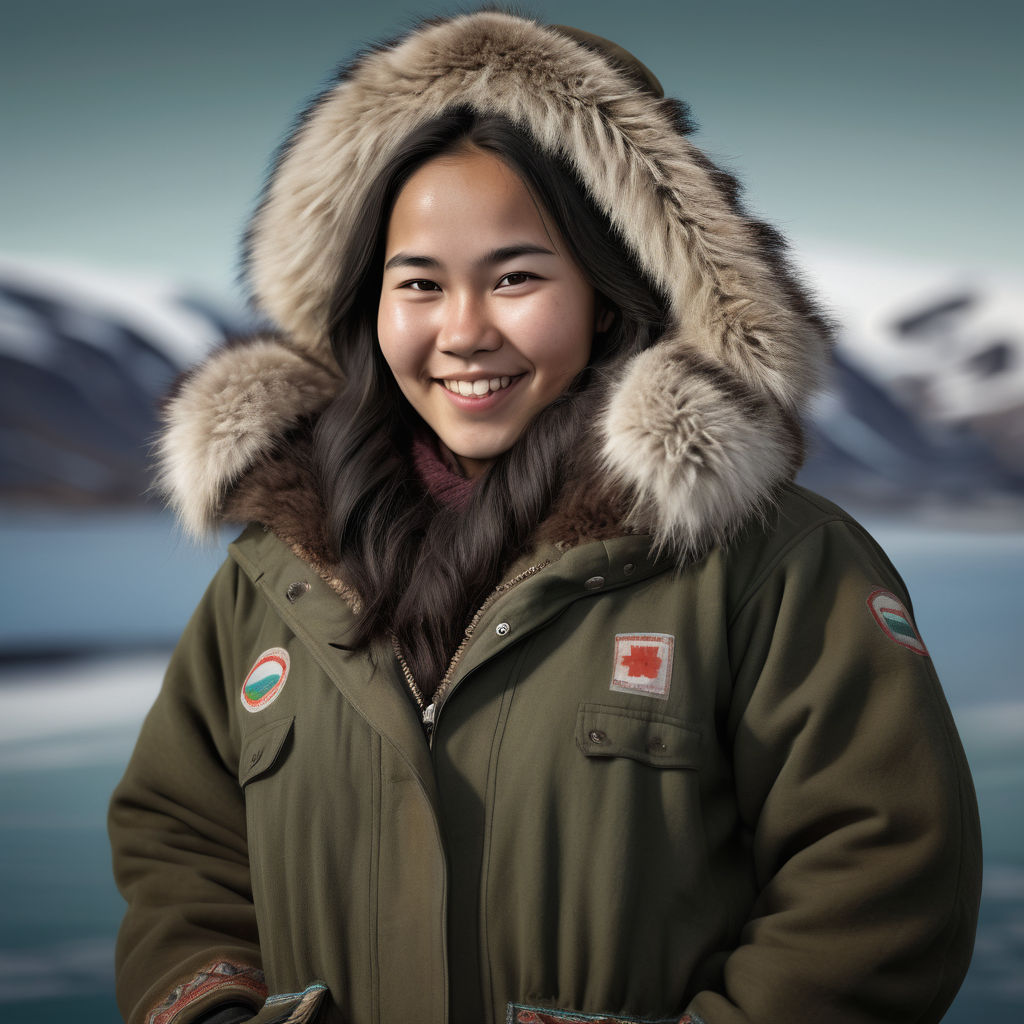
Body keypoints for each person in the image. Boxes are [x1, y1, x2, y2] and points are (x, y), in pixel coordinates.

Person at [109, 10, 982, 1024]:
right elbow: (179, 841)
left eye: (516, 277)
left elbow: (880, 880)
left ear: (610, 292)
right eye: (419, 284)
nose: (463, 332)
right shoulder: (274, 576)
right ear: (366, 303)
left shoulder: (774, 563)